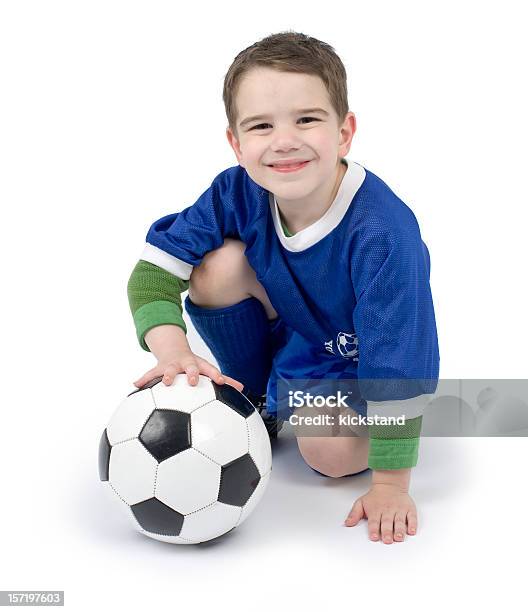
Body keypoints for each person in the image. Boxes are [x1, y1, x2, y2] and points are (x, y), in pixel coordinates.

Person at [127, 31, 440, 545]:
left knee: (328, 451)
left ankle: (309, 410)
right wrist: (173, 352)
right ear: (236, 142)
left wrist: (390, 483)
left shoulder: (383, 235)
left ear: (344, 132)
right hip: (299, 336)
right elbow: (153, 273)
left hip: (361, 365)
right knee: (219, 266)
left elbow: (398, 366)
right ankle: (255, 398)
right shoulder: (237, 189)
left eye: (307, 119)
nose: (284, 140)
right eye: (261, 126)